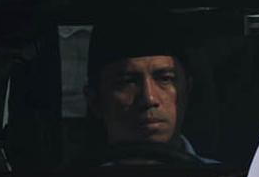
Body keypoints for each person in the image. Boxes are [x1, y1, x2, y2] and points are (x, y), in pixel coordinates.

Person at [85, 19, 211, 165]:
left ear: (187, 91)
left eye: (165, 78)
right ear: (95, 101)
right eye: (128, 82)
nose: (149, 98)